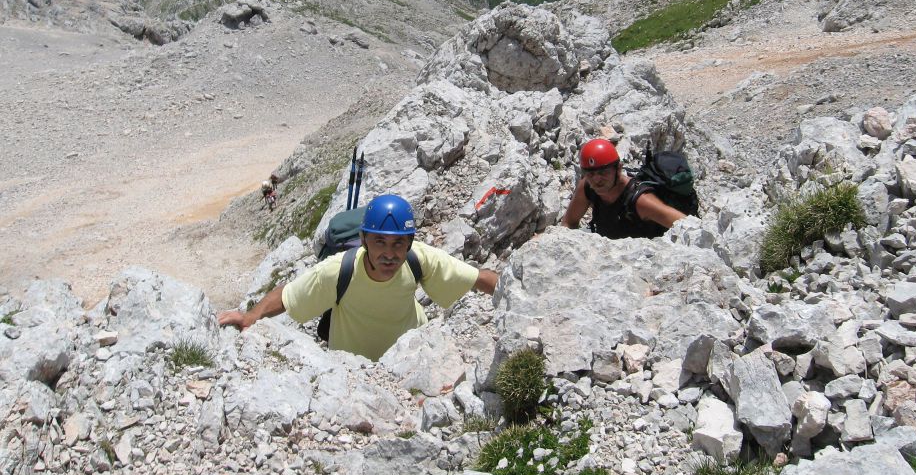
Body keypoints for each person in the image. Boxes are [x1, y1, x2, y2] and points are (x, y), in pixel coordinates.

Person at [218, 194, 499, 361]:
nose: (389, 254)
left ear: (410, 242)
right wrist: (250, 317)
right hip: (352, 370)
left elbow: (478, 278)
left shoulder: (419, 258)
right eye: (380, 242)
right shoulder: (341, 269)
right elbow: (288, 294)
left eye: (398, 243)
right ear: (364, 240)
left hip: (410, 361)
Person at [560, 138, 687, 239]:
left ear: (618, 169)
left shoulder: (640, 201)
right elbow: (569, 223)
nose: (596, 179)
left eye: (603, 172)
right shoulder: (587, 187)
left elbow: (686, 226)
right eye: (590, 173)